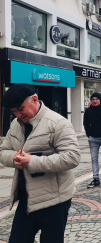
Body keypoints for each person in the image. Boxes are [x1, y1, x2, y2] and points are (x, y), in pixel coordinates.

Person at [0, 84, 80, 243]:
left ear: (35, 99)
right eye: (13, 111)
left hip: (55, 200)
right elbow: (3, 151)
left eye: (20, 109)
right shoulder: (16, 125)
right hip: (27, 198)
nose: (17, 115)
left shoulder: (58, 123)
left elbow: (72, 157)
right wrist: (15, 158)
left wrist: (32, 161)